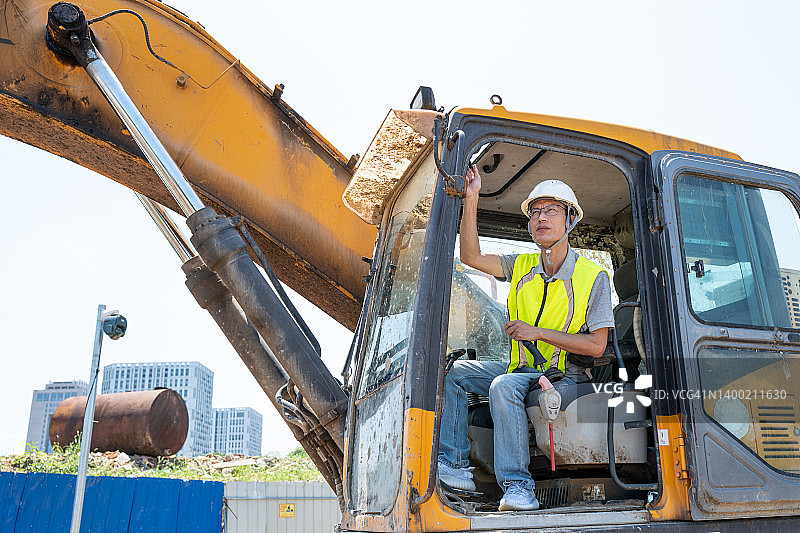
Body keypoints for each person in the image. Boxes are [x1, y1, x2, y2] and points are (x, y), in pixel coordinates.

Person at [437, 164, 614, 511]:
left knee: (503, 386)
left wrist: (538, 333)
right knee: (455, 373)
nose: (541, 218)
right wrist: (471, 197)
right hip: (523, 368)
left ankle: (519, 488)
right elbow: (470, 256)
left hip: (564, 374)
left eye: (551, 210)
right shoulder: (521, 266)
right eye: (535, 212)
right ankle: (455, 466)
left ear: (571, 220)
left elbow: (597, 345)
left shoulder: (593, 277)